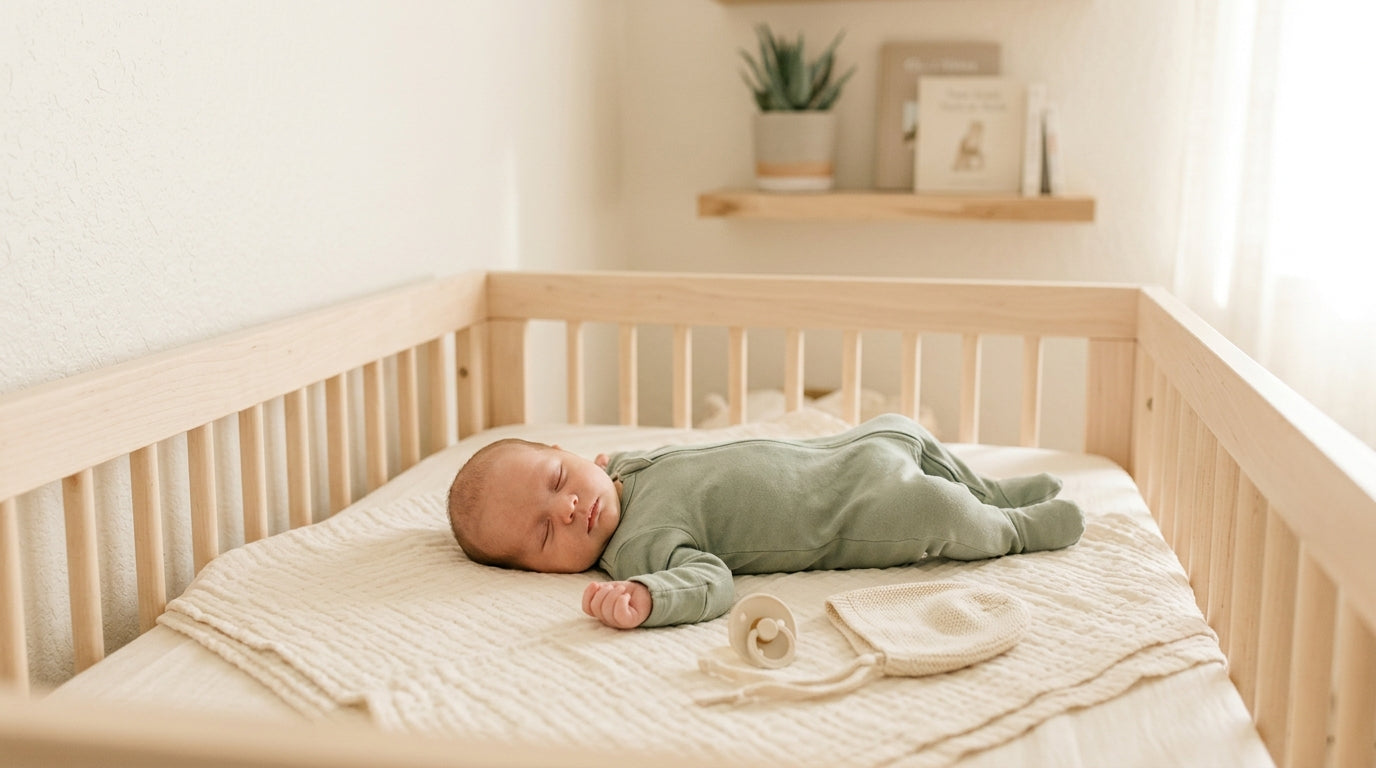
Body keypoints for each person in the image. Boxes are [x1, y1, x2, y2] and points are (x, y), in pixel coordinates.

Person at [447, 414, 1084, 630]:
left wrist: (612, 466)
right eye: (544, 534)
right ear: (537, 571)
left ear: (571, 454)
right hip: (855, 509)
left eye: (557, 480)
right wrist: (647, 597)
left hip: (843, 452)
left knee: (906, 431)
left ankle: (992, 490)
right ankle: (1018, 530)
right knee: (937, 508)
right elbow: (712, 583)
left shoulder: (623, 471)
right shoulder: (641, 546)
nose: (565, 509)